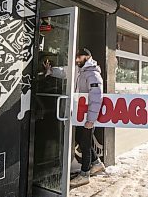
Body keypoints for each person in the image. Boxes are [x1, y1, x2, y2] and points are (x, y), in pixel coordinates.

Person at [44, 48, 105, 188]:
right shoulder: (80, 69)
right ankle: (96, 164)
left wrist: (91, 119)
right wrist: (51, 70)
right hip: (79, 114)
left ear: (87, 57)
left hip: (87, 115)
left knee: (84, 142)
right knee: (81, 139)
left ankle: (84, 174)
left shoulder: (93, 74)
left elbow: (97, 97)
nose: (76, 60)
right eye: (76, 57)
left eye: (79, 57)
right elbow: (66, 71)